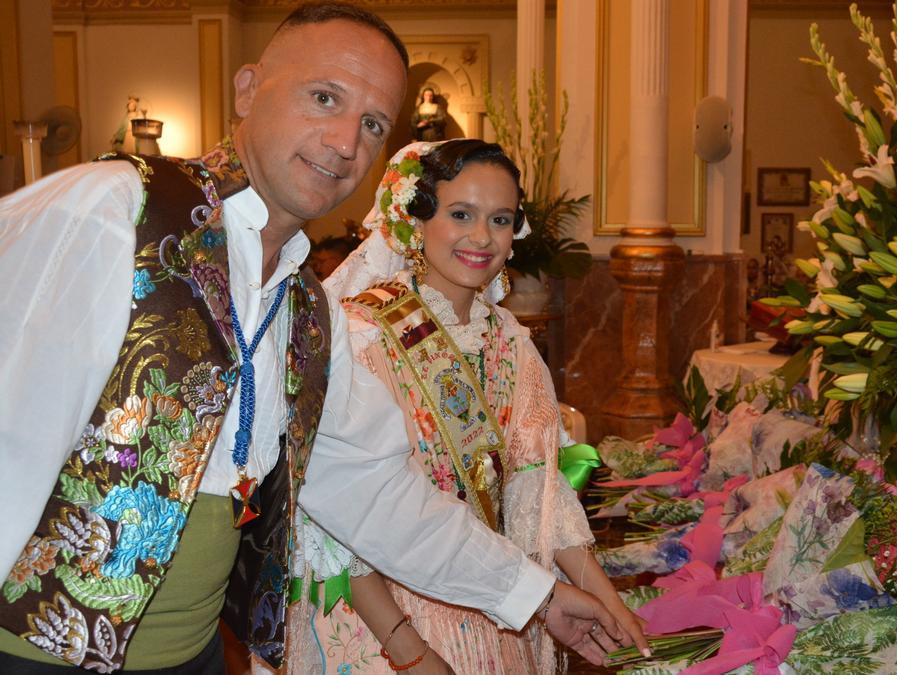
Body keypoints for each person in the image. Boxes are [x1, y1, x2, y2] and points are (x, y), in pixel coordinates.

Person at [0, 3, 634, 673]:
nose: (344, 142)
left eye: (372, 124)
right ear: (248, 90)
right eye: (324, 97)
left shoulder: (307, 309)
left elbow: (373, 491)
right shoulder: (113, 212)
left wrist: (535, 597)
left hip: (198, 655)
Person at [288, 139, 647, 673]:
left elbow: (538, 488)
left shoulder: (510, 340)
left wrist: (609, 600)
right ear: (416, 221)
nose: (482, 237)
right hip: (380, 620)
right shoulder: (360, 336)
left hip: (496, 599)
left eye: (500, 219)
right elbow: (333, 522)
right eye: (461, 214)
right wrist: (410, 654)